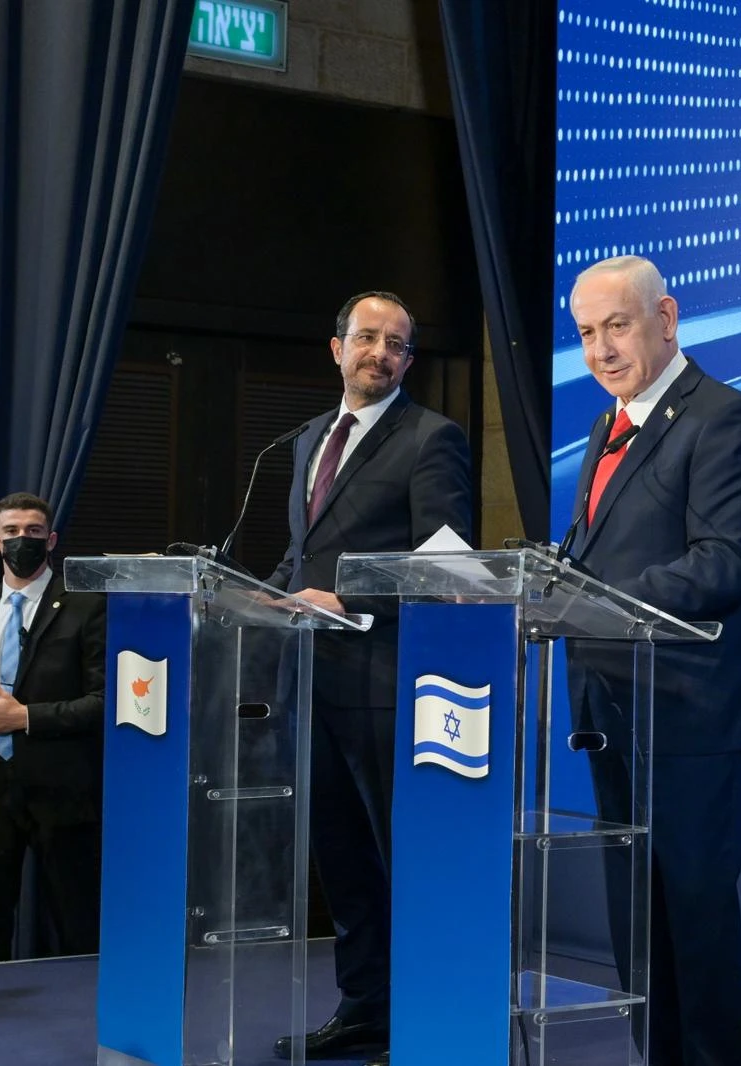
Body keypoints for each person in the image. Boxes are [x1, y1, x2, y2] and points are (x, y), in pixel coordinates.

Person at [564, 255, 741, 1066]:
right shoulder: (605, 424)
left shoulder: (724, 417)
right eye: (585, 333)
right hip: (616, 710)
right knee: (639, 930)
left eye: (616, 326)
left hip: (695, 713)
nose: (600, 350)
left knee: (693, 923)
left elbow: (723, 563)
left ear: (666, 318)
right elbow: (599, 548)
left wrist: (594, 600)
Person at [267, 291, 473, 1064]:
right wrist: (267, 593)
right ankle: (365, 1006)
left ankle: (427, 1016)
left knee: (401, 859)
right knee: (344, 864)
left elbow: (449, 564)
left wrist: (347, 597)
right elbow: (305, 555)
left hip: (389, 686)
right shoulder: (309, 439)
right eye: (367, 338)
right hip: (314, 681)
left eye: (396, 345)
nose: (379, 353)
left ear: (408, 362)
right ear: (337, 347)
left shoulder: (433, 439)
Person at [0, 492, 106, 962]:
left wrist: (25, 717)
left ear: (51, 539)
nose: (22, 540)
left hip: (62, 790)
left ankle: (81, 1022)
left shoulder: (87, 606)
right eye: (11, 532)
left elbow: (105, 702)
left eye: (33, 532)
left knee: (76, 924)